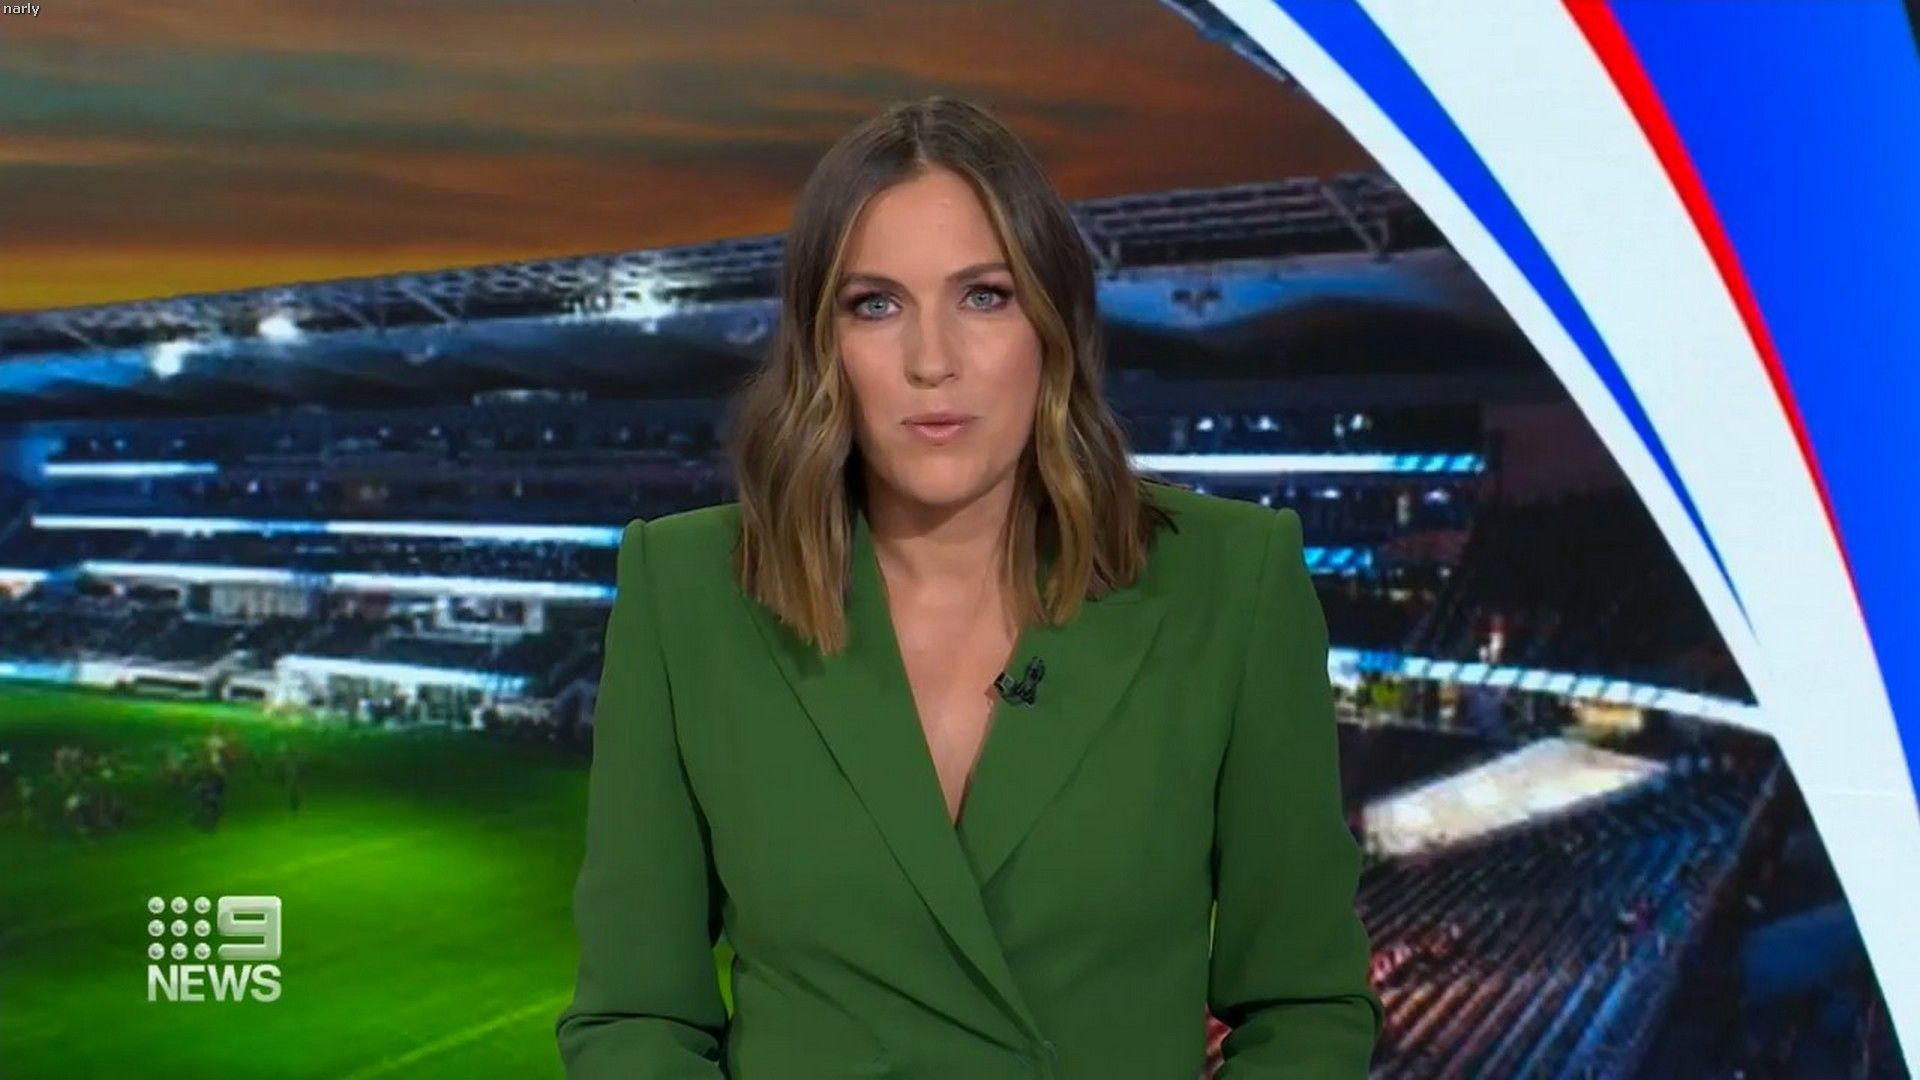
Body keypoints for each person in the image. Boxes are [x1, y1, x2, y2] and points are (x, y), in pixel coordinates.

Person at [555, 95, 1383, 1078]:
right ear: (821, 344)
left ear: (1053, 323)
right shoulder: (687, 588)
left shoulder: (1232, 580)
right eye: (875, 305)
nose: (932, 362)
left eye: (984, 296)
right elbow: (636, 1018)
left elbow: (1303, 1006)